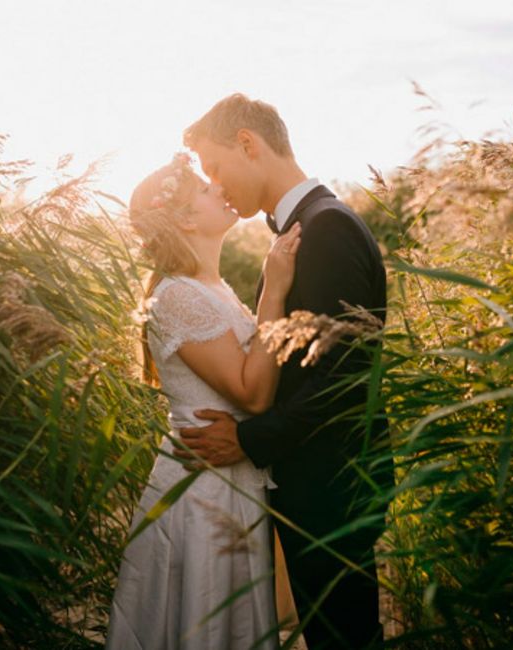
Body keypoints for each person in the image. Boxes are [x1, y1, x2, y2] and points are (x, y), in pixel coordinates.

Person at [178, 94, 394, 649]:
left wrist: (248, 439)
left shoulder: (327, 229)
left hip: (330, 489)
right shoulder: (306, 226)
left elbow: (343, 380)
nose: (217, 186)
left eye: (216, 168)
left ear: (248, 144)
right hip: (312, 484)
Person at [105, 152, 302, 650]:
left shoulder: (211, 288)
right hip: (202, 492)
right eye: (207, 188)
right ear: (188, 218)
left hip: (230, 479)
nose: (221, 187)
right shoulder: (176, 296)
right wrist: (273, 293)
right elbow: (253, 393)